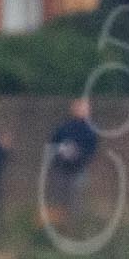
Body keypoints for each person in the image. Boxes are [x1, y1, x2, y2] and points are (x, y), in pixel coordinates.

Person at [43, 97, 99, 228]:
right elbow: (53, 144)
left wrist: (79, 155)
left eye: (85, 108)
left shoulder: (90, 130)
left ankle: (74, 228)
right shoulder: (64, 127)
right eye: (79, 108)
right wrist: (61, 153)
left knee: (75, 200)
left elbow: (91, 149)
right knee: (58, 199)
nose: (83, 111)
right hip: (61, 168)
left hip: (78, 170)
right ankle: (58, 227)